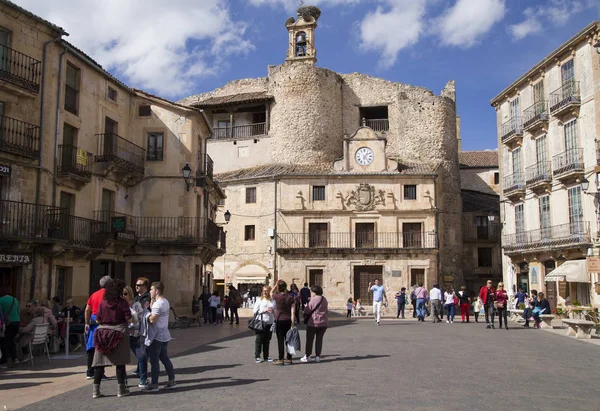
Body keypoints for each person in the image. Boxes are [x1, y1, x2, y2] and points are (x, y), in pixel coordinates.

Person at [91, 278, 132, 399]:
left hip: (102, 333)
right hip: (119, 333)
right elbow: (129, 318)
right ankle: (121, 390)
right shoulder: (122, 302)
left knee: (100, 364)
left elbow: (97, 319)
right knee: (120, 363)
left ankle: (95, 391)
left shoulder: (103, 302)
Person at [142, 281, 176, 392]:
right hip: (164, 334)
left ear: (157, 291)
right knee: (165, 358)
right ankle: (172, 380)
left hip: (156, 336)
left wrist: (146, 316)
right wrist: (152, 301)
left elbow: (153, 319)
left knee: (154, 360)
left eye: (151, 289)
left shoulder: (158, 304)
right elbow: (155, 310)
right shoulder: (164, 301)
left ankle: (154, 384)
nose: (150, 291)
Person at [85, 275, 111, 380]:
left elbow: (87, 309)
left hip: (93, 322)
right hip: (104, 322)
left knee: (91, 348)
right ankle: (100, 372)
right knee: (101, 349)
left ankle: (89, 372)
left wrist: (87, 322)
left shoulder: (94, 295)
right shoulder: (110, 295)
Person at [301, 285, 328, 363]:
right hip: (323, 323)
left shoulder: (313, 300)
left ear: (314, 292)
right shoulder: (324, 299)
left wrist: (306, 306)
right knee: (319, 340)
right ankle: (317, 356)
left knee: (309, 340)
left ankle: (308, 355)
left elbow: (307, 311)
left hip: (313, 323)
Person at [271, 280, 296, 365]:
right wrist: (292, 324)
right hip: (288, 320)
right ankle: (289, 358)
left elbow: (271, 292)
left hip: (279, 320)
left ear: (278, 288)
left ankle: (281, 359)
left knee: (280, 340)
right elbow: (293, 312)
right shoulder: (290, 297)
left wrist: (275, 285)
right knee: (289, 340)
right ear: (286, 287)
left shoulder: (276, 296)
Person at [122, 285, 144, 378]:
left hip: (135, 335)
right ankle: (123, 380)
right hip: (124, 335)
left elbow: (141, 319)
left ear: (130, 293)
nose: (123, 296)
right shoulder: (121, 306)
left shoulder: (136, 305)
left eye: (125, 294)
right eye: (122, 294)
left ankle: (143, 378)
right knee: (121, 359)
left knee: (141, 357)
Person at [252, 286, 274, 363]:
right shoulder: (259, 300)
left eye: (266, 291)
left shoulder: (271, 300)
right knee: (259, 340)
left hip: (270, 322)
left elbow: (275, 309)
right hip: (261, 322)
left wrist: (273, 310)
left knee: (267, 340)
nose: (265, 292)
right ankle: (257, 356)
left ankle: (266, 356)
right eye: (264, 291)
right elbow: (254, 311)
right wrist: (264, 310)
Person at [0, 287, 20, 368]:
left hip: (7, 323)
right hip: (16, 322)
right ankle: (14, 358)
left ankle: (4, 360)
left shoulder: (1, 300)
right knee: (10, 340)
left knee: (3, 341)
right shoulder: (15, 300)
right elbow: (18, 312)